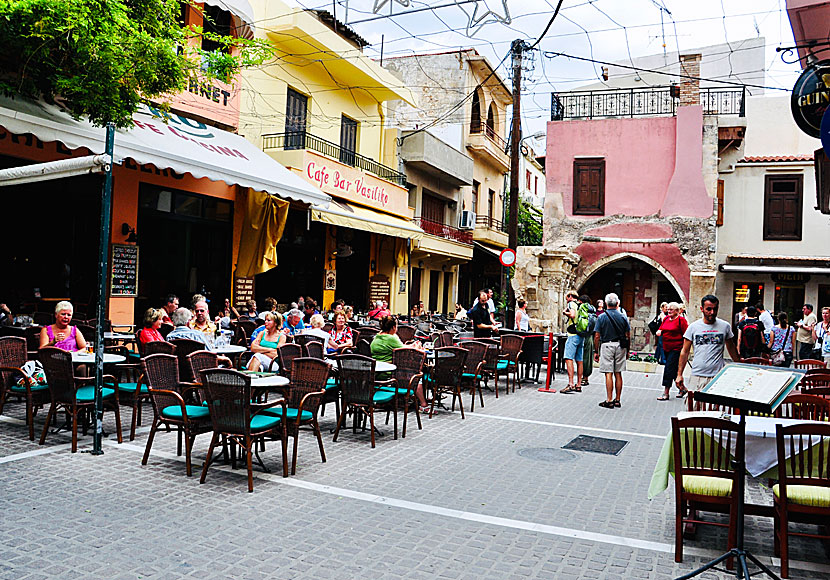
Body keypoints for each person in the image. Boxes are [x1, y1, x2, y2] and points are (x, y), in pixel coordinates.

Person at [676, 294, 741, 393]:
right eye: (709, 309)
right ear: (702, 309)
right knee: (694, 406)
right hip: (697, 375)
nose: (712, 312)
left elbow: (731, 348)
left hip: (718, 375)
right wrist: (679, 374)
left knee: (715, 407)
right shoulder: (693, 327)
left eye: (715, 309)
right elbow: (685, 351)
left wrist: (739, 365)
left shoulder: (725, 326)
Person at [370, 316, 429, 412]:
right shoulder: (390, 338)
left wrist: (412, 345)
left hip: (376, 371)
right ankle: (423, 404)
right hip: (389, 372)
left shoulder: (377, 337)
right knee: (416, 375)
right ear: (393, 327)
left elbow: (400, 347)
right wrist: (416, 346)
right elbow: (405, 351)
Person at [593, 293, 630, 408]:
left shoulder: (602, 317)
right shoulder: (623, 317)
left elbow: (597, 335)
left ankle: (609, 399)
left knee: (608, 373)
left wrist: (596, 351)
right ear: (617, 303)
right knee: (618, 373)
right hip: (620, 345)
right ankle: (617, 399)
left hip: (607, 345)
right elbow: (628, 335)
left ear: (606, 304)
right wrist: (628, 350)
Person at [656, 302, 689, 400]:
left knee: (668, 369)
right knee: (673, 370)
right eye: (668, 309)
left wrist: (686, 349)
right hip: (666, 347)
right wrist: (660, 331)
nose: (669, 311)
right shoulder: (666, 319)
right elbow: (661, 328)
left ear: (677, 311)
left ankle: (666, 392)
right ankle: (682, 388)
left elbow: (686, 335)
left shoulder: (681, 321)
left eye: (671, 309)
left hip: (677, 348)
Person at [562, 290, 583, 392]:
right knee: (579, 360)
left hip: (573, 334)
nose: (566, 299)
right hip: (580, 334)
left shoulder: (571, 304)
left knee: (568, 358)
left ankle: (571, 383)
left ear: (570, 296)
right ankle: (579, 384)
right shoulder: (580, 305)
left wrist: (565, 312)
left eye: (567, 297)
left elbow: (573, 315)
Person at [579, 294, 596, 388]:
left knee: (581, 357)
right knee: (588, 357)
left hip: (582, 336)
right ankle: (586, 377)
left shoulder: (582, 310)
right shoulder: (593, 310)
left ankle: (582, 378)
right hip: (590, 336)